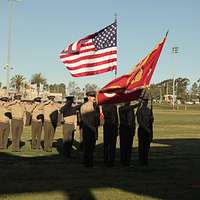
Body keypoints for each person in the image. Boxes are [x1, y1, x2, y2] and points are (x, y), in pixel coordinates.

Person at [80, 91, 100, 167]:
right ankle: (86, 162)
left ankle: (90, 161)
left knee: (92, 146)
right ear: (88, 97)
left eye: (94, 96)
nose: (93, 98)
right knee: (87, 146)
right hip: (87, 128)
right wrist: (91, 127)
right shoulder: (84, 106)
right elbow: (84, 119)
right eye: (92, 96)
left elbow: (97, 117)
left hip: (94, 127)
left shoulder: (96, 106)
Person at [136, 97, 154, 166]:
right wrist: (146, 129)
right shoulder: (139, 111)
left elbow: (151, 121)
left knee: (147, 146)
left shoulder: (149, 110)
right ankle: (141, 160)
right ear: (143, 102)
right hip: (142, 130)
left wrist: (151, 119)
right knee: (141, 146)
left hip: (148, 130)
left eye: (146, 101)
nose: (146, 103)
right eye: (145, 101)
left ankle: (145, 159)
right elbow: (140, 121)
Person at [119, 101, 136, 166]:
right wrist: (136, 105)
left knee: (129, 146)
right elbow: (126, 109)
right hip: (124, 129)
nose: (128, 102)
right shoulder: (121, 108)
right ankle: (123, 161)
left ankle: (127, 161)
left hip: (130, 129)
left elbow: (133, 120)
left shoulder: (131, 109)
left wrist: (133, 130)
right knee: (123, 146)